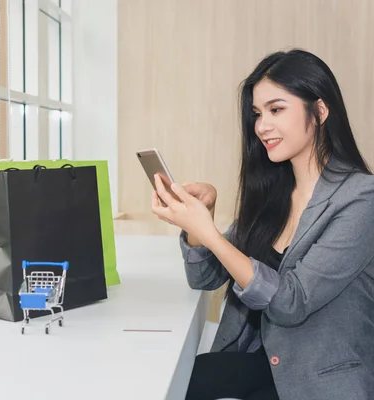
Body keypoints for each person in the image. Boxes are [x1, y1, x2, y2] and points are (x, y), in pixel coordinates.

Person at [151, 49, 374, 400]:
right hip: (260, 362)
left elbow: (290, 302)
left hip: (318, 381)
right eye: (257, 113)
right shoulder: (274, 190)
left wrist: (209, 234)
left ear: (320, 110)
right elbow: (204, 278)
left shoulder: (361, 199)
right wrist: (200, 219)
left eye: (276, 109)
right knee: (166, 381)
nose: (261, 126)